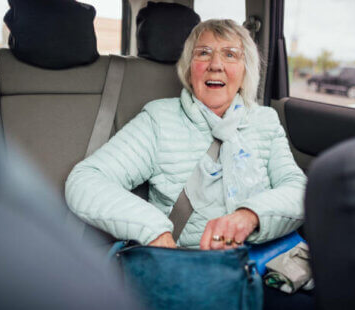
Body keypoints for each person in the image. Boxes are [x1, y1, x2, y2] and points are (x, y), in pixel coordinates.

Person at [65, 19, 306, 251]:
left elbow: (299, 190)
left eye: (230, 54)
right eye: (203, 53)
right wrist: (153, 231)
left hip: (264, 264)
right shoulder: (159, 119)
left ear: (246, 71)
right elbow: (85, 181)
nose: (215, 64)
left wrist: (250, 215)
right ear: (189, 68)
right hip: (191, 267)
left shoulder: (265, 120)